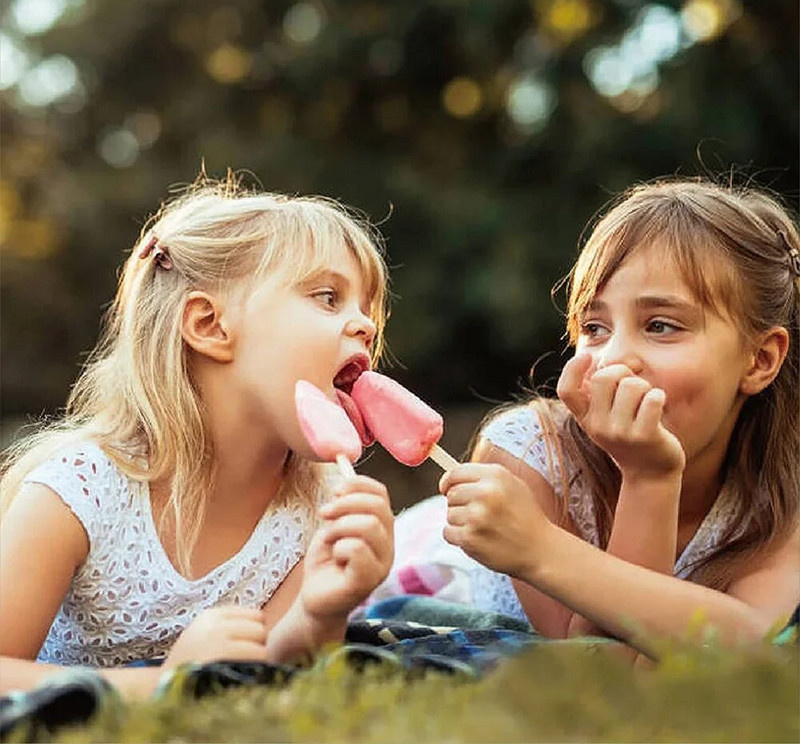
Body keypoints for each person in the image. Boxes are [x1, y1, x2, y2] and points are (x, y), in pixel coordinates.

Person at [0, 172, 395, 698]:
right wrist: (166, 683)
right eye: (328, 297)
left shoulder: (318, 504)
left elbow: (271, 678)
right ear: (209, 325)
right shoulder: (81, 492)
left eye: (365, 309)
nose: (364, 324)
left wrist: (321, 612)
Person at [376, 177, 799, 659]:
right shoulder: (525, 455)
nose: (615, 359)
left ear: (760, 360)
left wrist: (543, 549)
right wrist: (647, 479)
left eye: (661, 326)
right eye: (595, 328)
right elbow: (605, 670)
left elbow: (755, 649)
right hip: (422, 569)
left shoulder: (783, 498)